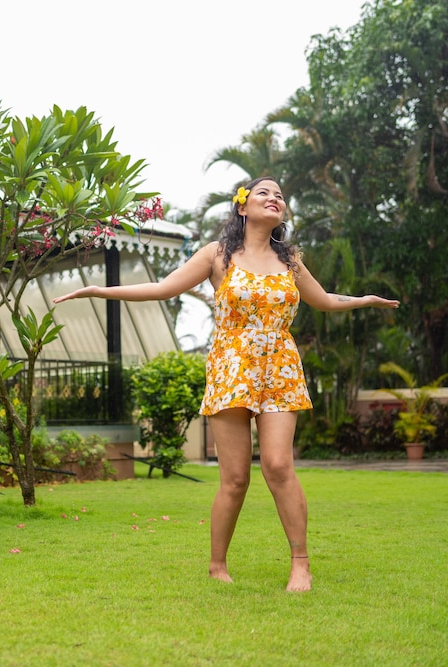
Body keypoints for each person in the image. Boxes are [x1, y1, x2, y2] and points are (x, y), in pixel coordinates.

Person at [53, 176, 399, 591]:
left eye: (280, 195)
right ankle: (217, 565)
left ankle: (300, 564)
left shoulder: (290, 260)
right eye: (264, 193)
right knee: (235, 479)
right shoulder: (217, 255)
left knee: (278, 465)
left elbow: (323, 300)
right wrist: (99, 290)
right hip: (231, 367)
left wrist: (363, 300)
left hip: (280, 368)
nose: (274, 199)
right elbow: (163, 288)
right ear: (242, 206)